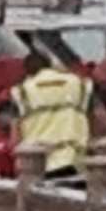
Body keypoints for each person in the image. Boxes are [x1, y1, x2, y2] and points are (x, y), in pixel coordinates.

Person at [13, 50, 94, 182]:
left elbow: (15, 137)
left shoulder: (22, 91)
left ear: (27, 71)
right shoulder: (79, 84)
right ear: (50, 65)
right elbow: (95, 122)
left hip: (38, 165)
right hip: (74, 161)